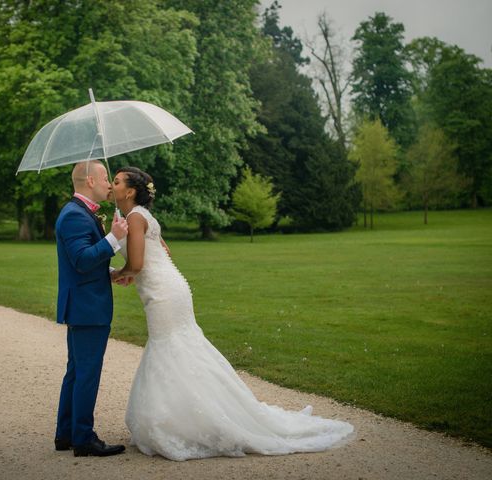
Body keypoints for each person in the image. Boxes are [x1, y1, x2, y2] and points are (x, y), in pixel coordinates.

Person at [111, 166, 354, 461]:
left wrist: (117, 273)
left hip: (163, 294)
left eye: (117, 181)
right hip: (168, 288)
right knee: (179, 348)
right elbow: (162, 254)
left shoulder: (135, 217)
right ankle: (190, 416)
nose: (112, 186)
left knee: (171, 348)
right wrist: (130, 266)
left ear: (131, 191)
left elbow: (137, 264)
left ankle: (194, 421)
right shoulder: (136, 218)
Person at [54, 160, 128, 457]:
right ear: (89, 181)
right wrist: (114, 238)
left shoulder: (81, 213)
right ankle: (83, 438)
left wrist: (109, 271)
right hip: (88, 308)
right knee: (86, 373)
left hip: (84, 304)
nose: (110, 184)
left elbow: (85, 263)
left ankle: (66, 433)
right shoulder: (74, 215)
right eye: (105, 178)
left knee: (76, 371)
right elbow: (82, 260)